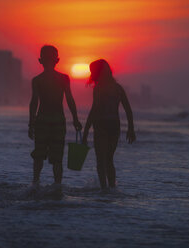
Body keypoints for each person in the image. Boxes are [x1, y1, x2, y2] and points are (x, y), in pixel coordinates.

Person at [28, 45, 82, 191]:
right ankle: (57, 187)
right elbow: (70, 99)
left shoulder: (37, 80)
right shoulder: (63, 78)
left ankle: (35, 184)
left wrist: (31, 123)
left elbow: (34, 102)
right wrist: (75, 119)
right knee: (57, 157)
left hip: (42, 121)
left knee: (39, 155)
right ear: (57, 60)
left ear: (40, 60)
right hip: (58, 121)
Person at [82, 59, 136, 190]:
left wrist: (86, 132)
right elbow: (128, 110)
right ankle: (110, 189)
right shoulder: (116, 88)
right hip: (112, 126)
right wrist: (130, 128)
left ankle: (105, 189)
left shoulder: (102, 88)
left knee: (102, 160)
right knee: (108, 160)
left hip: (104, 126)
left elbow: (94, 110)